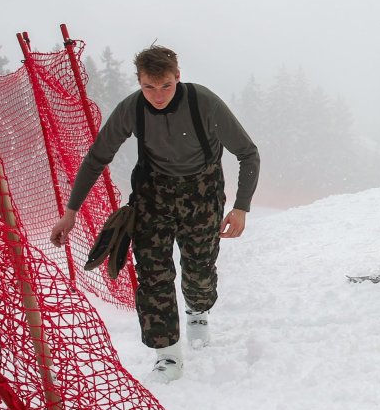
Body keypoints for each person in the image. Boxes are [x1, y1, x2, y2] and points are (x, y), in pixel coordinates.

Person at [49, 45, 259, 383]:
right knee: (153, 275)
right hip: (153, 195)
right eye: (148, 86)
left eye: (165, 86)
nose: (157, 95)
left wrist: (241, 207)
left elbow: (248, 154)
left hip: (202, 193)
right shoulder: (132, 108)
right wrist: (71, 212)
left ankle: (198, 311)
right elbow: (96, 157)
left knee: (199, 268)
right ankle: (168, 356)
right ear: (139, 81)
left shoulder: (204, 103)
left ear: (178, 77)